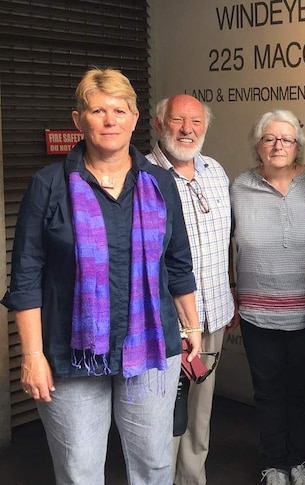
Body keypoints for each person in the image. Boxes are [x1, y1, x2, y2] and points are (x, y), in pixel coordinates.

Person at [1, 67, 201, 484]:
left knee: (154, 465)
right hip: (68, 354)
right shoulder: (48, 185)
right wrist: (32, 356)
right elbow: (26, 278)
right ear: (79, 120)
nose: (110, 120)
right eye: (97, 110)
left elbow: (178, 262)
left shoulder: (160, 182)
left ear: (134, 118)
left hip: (148, 349)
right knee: (80, 472)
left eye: (119, 110)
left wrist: (192, 324)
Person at [232, 110, 305, 485]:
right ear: (257, 145)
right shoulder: (238, 186)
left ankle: (303, 462)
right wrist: (229, 290)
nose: (278, 145)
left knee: (303, 393)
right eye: (269, 138)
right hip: (256, 313)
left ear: (298, 145)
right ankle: (273, 464)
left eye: (286, 139)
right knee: (268, 393)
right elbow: (224, 243)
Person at [147, 94, 234, 485]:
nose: (187, 130)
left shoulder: (215, 170)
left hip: (213, 314)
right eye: (178, 120)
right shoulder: (143, 175)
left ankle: (193, 478)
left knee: (200, 413)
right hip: (164, 321)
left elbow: (227, 241)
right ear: (158, 124)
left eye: (196, 122)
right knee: (162, 414)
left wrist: (228, 297)